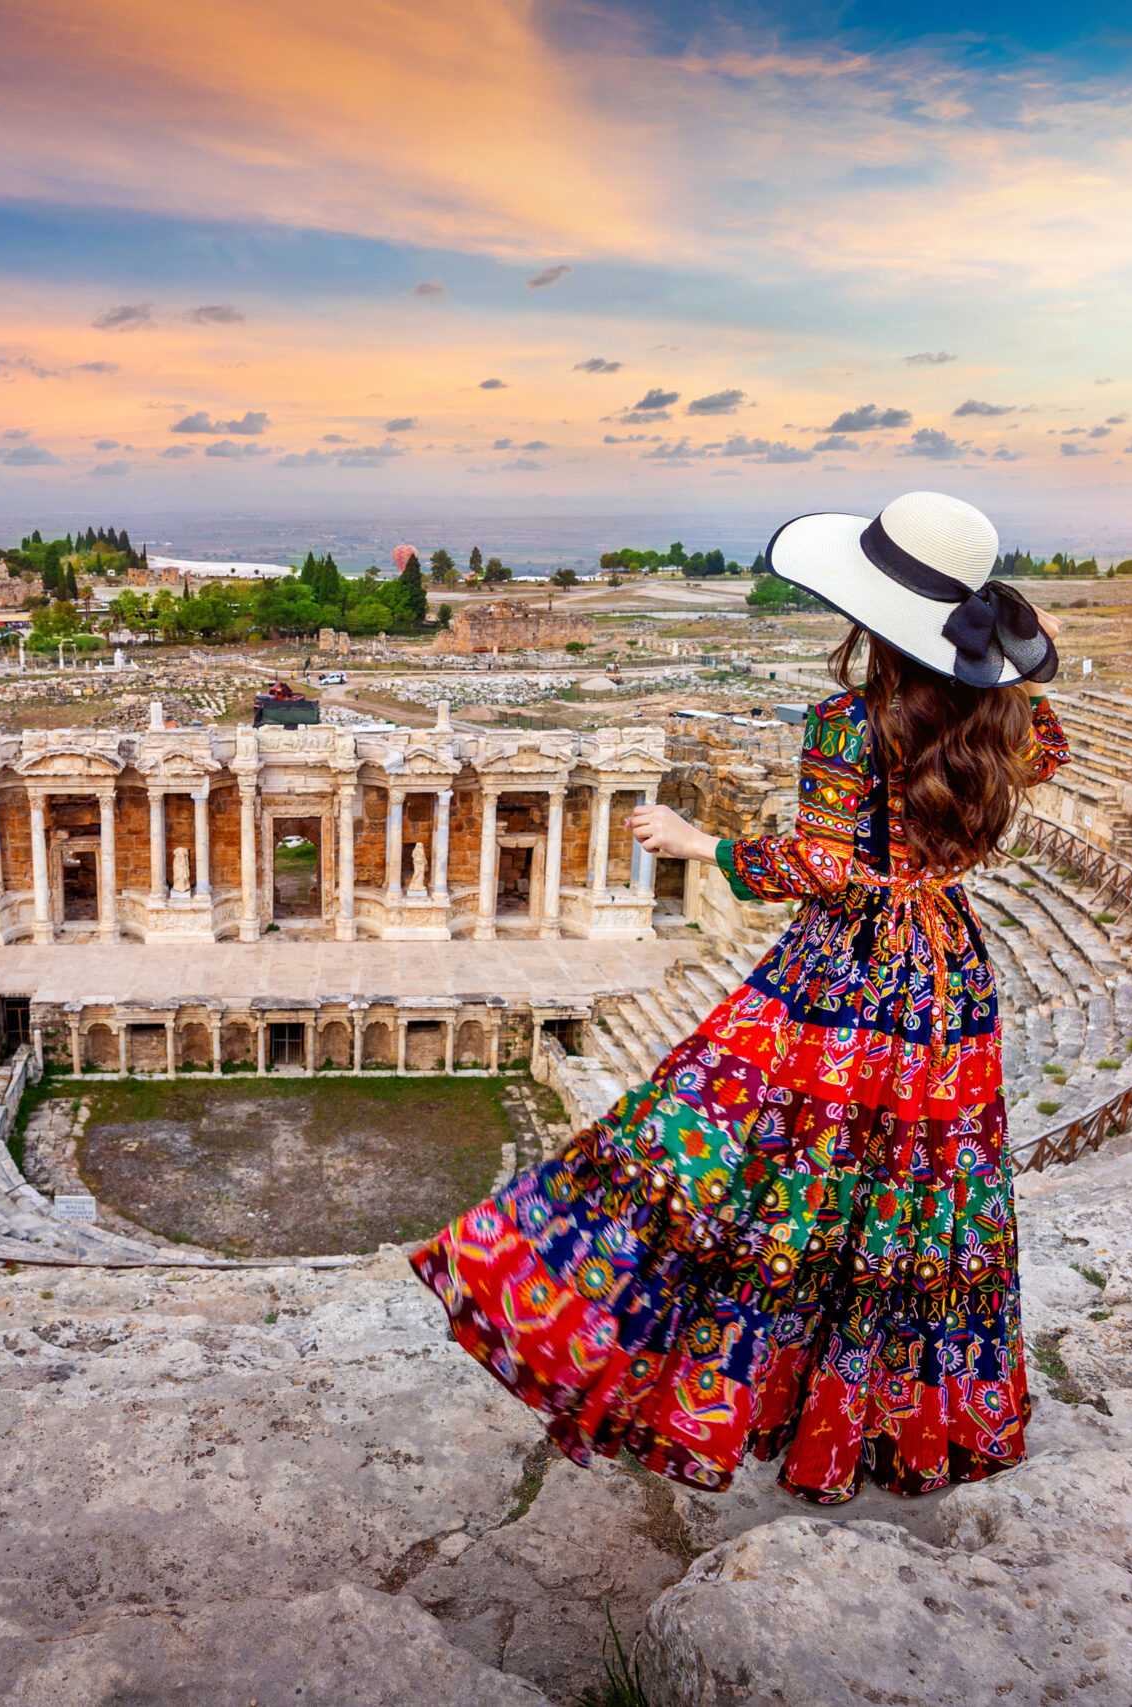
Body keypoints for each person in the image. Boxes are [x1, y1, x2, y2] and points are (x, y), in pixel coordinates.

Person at [412, 491, 1070, 1505]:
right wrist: (1026, 664)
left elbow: (818, 863)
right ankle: (885, 1428)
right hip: (948, 978)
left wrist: (700, 845)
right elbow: (1046, 755)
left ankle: (651, 1355)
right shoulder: (1008, 719)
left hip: (844, 977)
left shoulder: (849, 725)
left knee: (714, 1153)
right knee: (915, 1196)